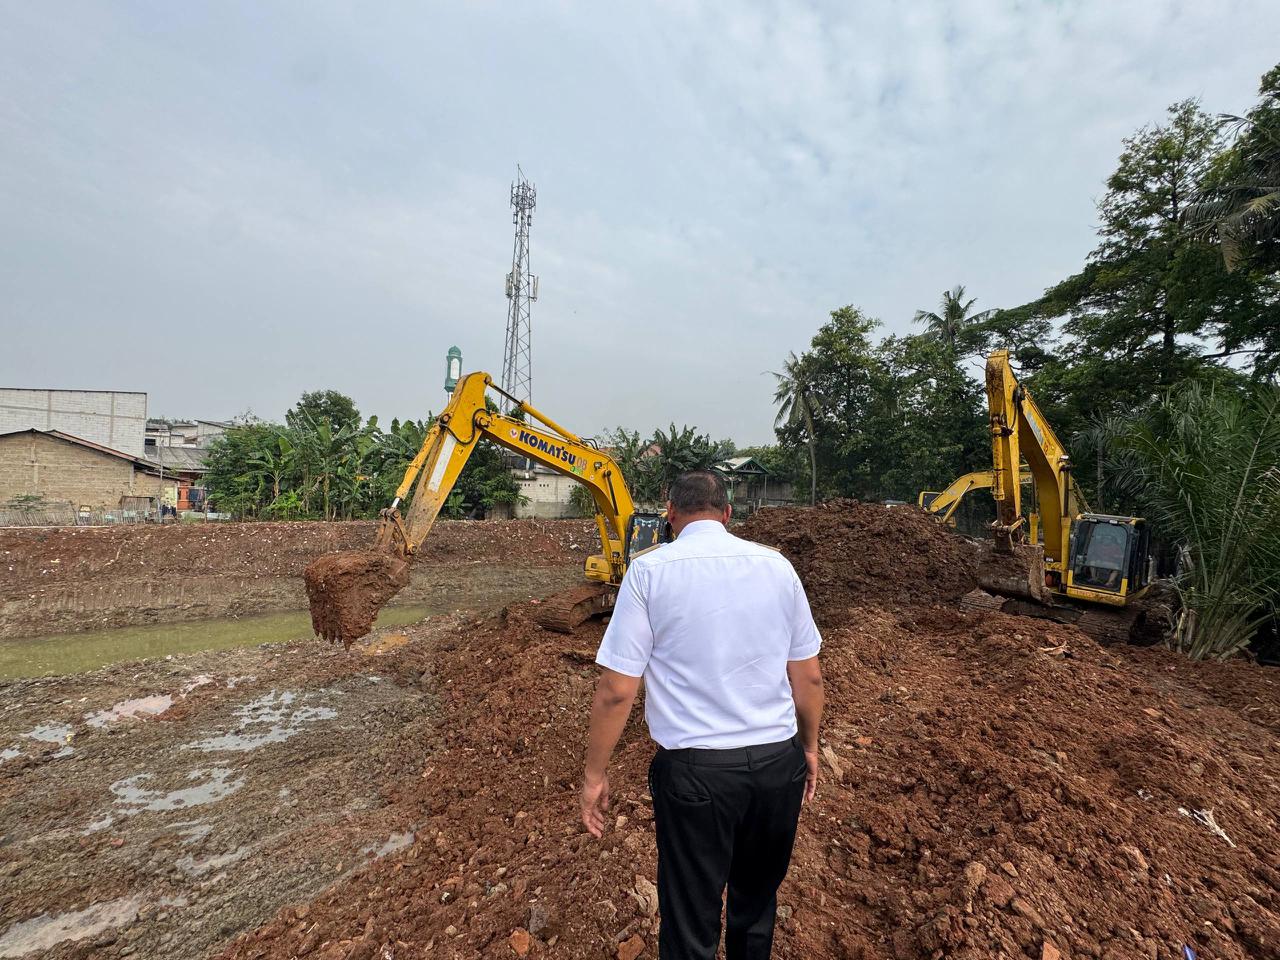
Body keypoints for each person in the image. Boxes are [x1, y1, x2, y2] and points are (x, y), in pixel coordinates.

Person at [580, 470, 825, 960]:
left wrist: (593, 775)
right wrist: (810, 748)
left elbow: (615, 691)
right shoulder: (778, 568)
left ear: (669, 514)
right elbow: (809, 678)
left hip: (695, 778)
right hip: (778, 767)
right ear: (728, 514)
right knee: (756, 907)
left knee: (691, 917)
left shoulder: (649, 572)